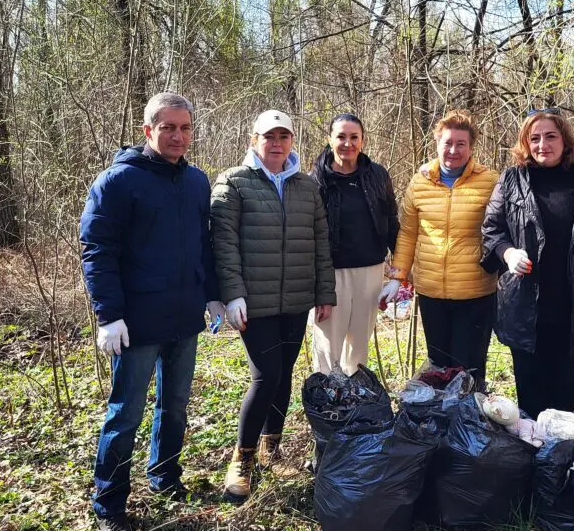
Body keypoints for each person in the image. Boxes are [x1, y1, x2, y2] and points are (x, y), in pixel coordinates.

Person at [80, 92, 224, 531]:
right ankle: (110, 504)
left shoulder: (197, 181)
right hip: (136, 322)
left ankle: (165, 476)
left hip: (183, 317)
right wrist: (109, 315)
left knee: (175, 405)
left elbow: (205, 246)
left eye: (184, 128)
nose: (178, 136)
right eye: (168, 128)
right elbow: (97, 249)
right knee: (126, 413)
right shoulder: (119, 181)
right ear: (148, 130)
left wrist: (214, 297)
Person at [211, 109, 335, 502]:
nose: (277, 143)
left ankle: (271, 448)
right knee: (265, 376)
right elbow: (222, 244)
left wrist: (324, 292)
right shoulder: (233, 183)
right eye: (269, 137)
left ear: (292, 142)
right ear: (254, 140)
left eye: (284, 136)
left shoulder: (306, 186)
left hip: (296, 299)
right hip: (255, 302)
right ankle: (242, 459)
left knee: (283, 375)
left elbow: (320, 242)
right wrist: (232, 294)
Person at [481, 109, 574, 418]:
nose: (542, 145)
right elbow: (491, 230)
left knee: (569, 394)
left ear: (564, 140)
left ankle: (567, 459)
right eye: (534, 138)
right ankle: (534, 459)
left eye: (550, 136)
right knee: (530, 393)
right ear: (526, 143)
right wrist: (508, 253)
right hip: (525, 307)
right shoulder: (512, 178)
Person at [380, 109, 498, 387]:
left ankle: (468, 426)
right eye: (447, 143)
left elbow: (500, 231)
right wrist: (398, 277)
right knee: (439, 366)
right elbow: (408, 233)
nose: (453, 150)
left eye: (461, 144)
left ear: (471, 147)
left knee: (469, 369)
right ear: (436, 143)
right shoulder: (420, 182)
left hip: (475, 293)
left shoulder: (490, 181)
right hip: (432, 293)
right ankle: (443, 426)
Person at [308, 113, 399, 374]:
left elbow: (392, 221)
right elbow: (308, 235)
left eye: (354, 137)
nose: (347, 143)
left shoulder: (377, 175)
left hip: (370, 272)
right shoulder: (315, 180)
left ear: (363, 141)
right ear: (330, 139)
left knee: (358, 348)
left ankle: (357, 405)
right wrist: (316, 284)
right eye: (341, 136)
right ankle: (326, 406)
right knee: (327, 348)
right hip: (330, 274)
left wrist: (399, 273)